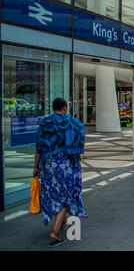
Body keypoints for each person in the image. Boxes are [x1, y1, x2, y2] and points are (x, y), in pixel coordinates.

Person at [33, 98, 87, 248]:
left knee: (53, 193)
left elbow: (39, 146)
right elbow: (81, 132)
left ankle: (63, 222)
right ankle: (56, 232)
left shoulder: (45, 122)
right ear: (64, 108)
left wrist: (36, 166)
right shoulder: (70, 122)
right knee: (65, 196)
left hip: (48, 165)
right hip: (66, 165)